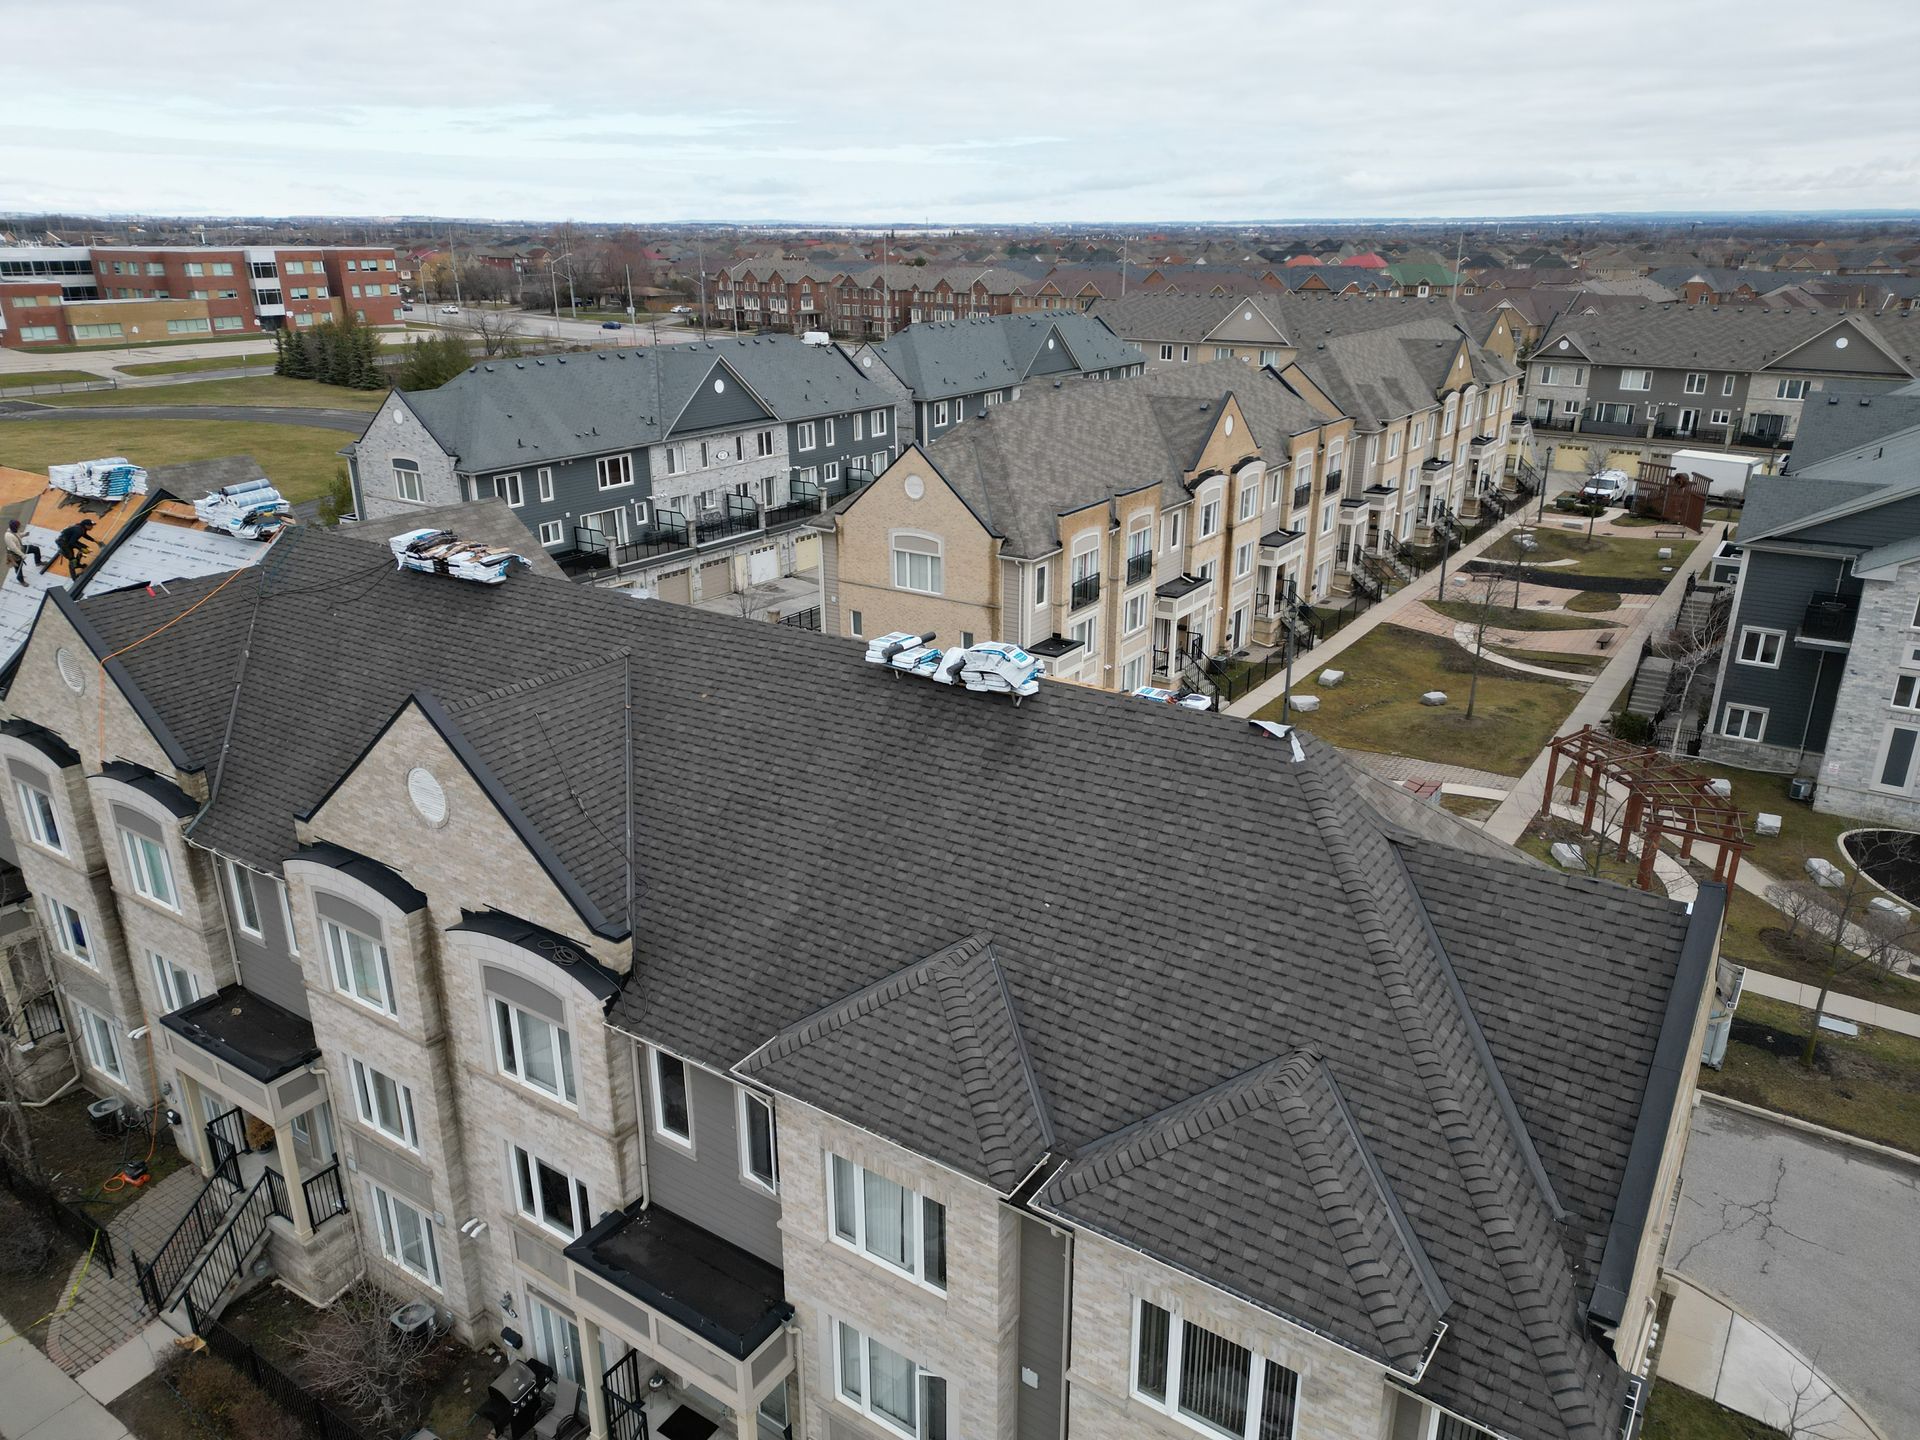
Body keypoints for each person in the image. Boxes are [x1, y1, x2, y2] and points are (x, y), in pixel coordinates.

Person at [4, 520, 45, 587]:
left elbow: (18, 535)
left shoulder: (13, 531)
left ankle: (38, 562)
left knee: (35, 549)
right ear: (15, 527)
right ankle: (21, 580)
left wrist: (24, 534)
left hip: (21, 548)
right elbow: (14, 548)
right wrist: (22, 555)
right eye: (18, 526)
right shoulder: (8, 536)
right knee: (18, 568)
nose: (19, 527)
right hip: (14, 554)